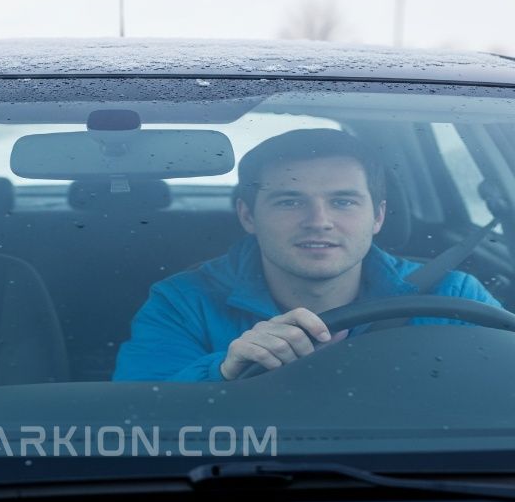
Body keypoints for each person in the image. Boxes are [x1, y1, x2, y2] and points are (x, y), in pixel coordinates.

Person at [112, 129, 501, 382]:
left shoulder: (452, 297)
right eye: (290, 201)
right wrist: (224, 372)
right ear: (249, 216)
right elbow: (135, 417)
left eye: (343, 201)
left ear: (377, 215)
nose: (319, 221)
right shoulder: (183, 302)